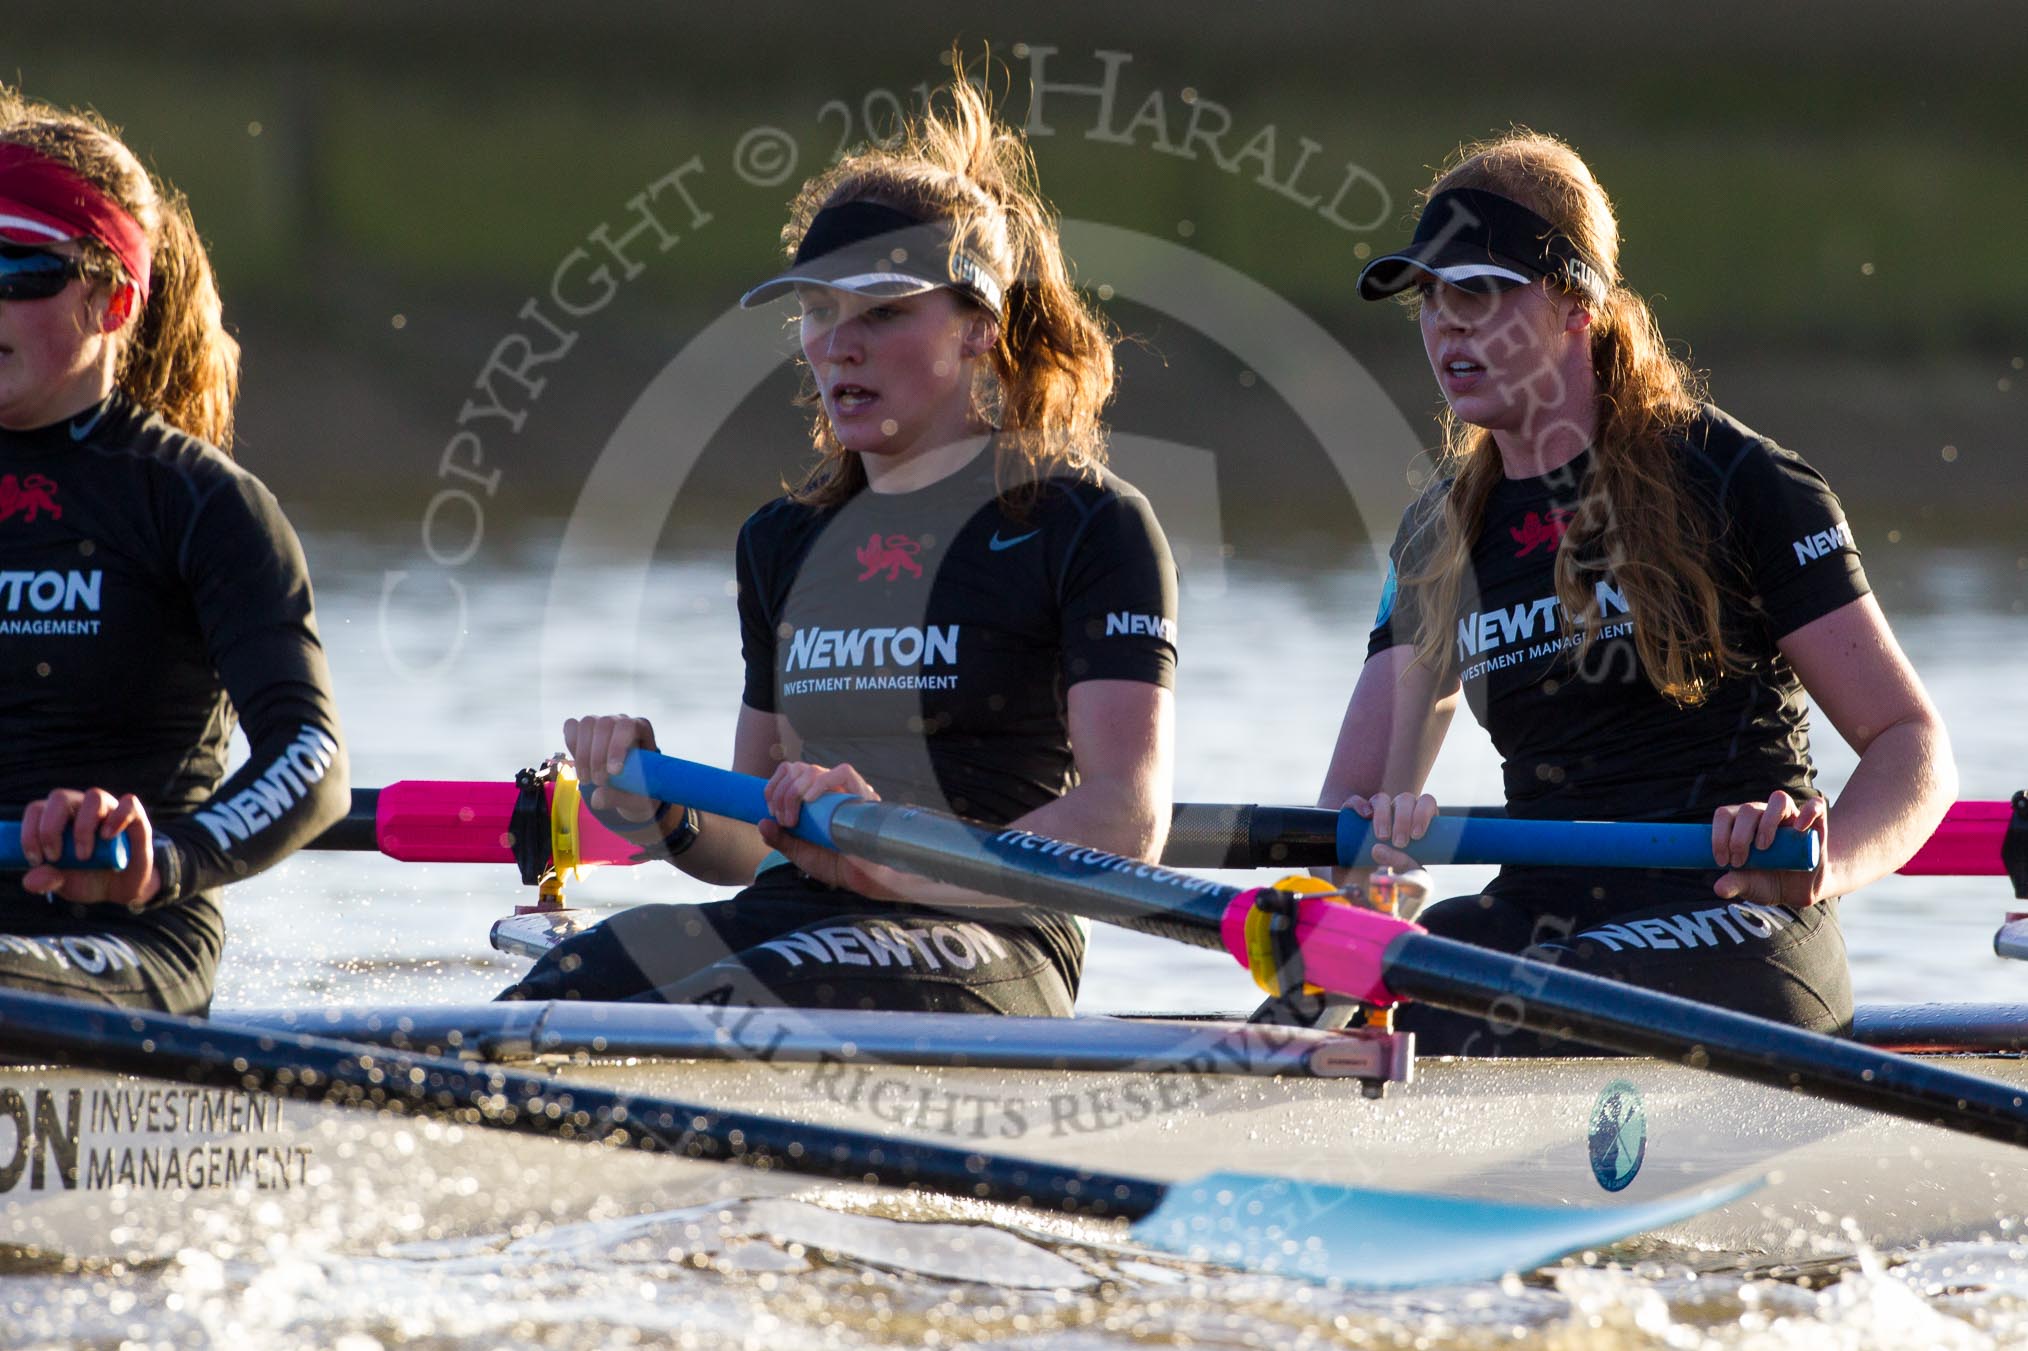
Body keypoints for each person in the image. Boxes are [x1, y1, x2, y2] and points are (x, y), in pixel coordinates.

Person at [504, 74, 1177, 1015]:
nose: (838, 345)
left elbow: (1123, 825)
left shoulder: (1084, 524)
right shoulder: (782, 542)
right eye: (818, 310)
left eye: (884, 312)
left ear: (979, 326)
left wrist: (893, 869)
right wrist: (659, 810)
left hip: (997, 930)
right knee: (557, 988)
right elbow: (746, 839)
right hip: (794, 914)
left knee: (748, 995)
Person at [1318, 129, 1955, 1054]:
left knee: (1488, 1004)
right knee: (1337, 994)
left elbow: (1914, 744)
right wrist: (1375, 849)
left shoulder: (1739, 482)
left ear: (1577, 302)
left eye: (1482, 290)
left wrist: (1819, 863)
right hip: (1544, 921)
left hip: (1738, 916)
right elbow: (1347, 811)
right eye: (1429, 296)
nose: (1446, 322)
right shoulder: (1437, 534)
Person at [0, 88, 348, 1014]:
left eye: (18, 269)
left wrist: (165, 861)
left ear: (113, 297)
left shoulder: (202, 505)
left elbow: (311, 760)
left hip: (129, 939)